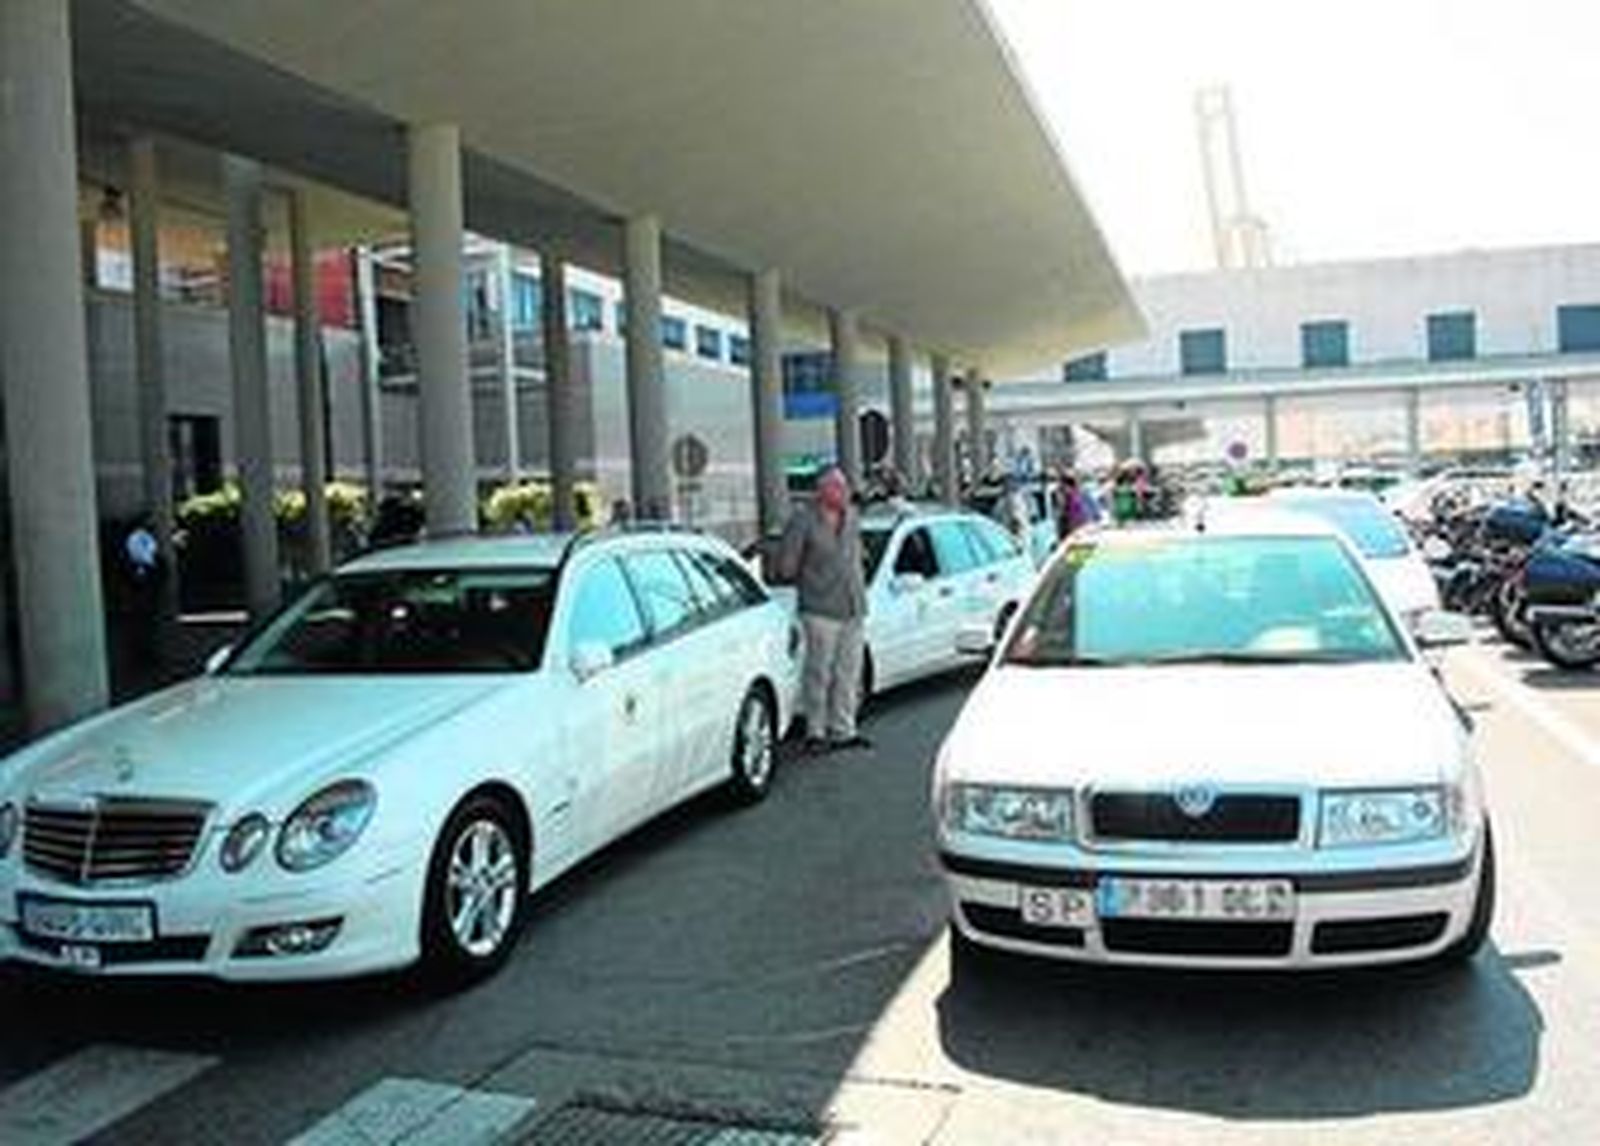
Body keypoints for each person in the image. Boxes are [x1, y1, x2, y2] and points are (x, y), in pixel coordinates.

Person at [774, 466, 870, 754]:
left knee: (849, 671)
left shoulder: (852, 517)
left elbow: (857, 553)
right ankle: (815, 731)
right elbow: (786, 565)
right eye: (837, 487)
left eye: (844, 486)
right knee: (819, 672)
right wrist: (809, 574)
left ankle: (844, 729)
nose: (844, 492)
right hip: (819, 606)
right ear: (822, 491)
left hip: (852, 605)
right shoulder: (803, 520)